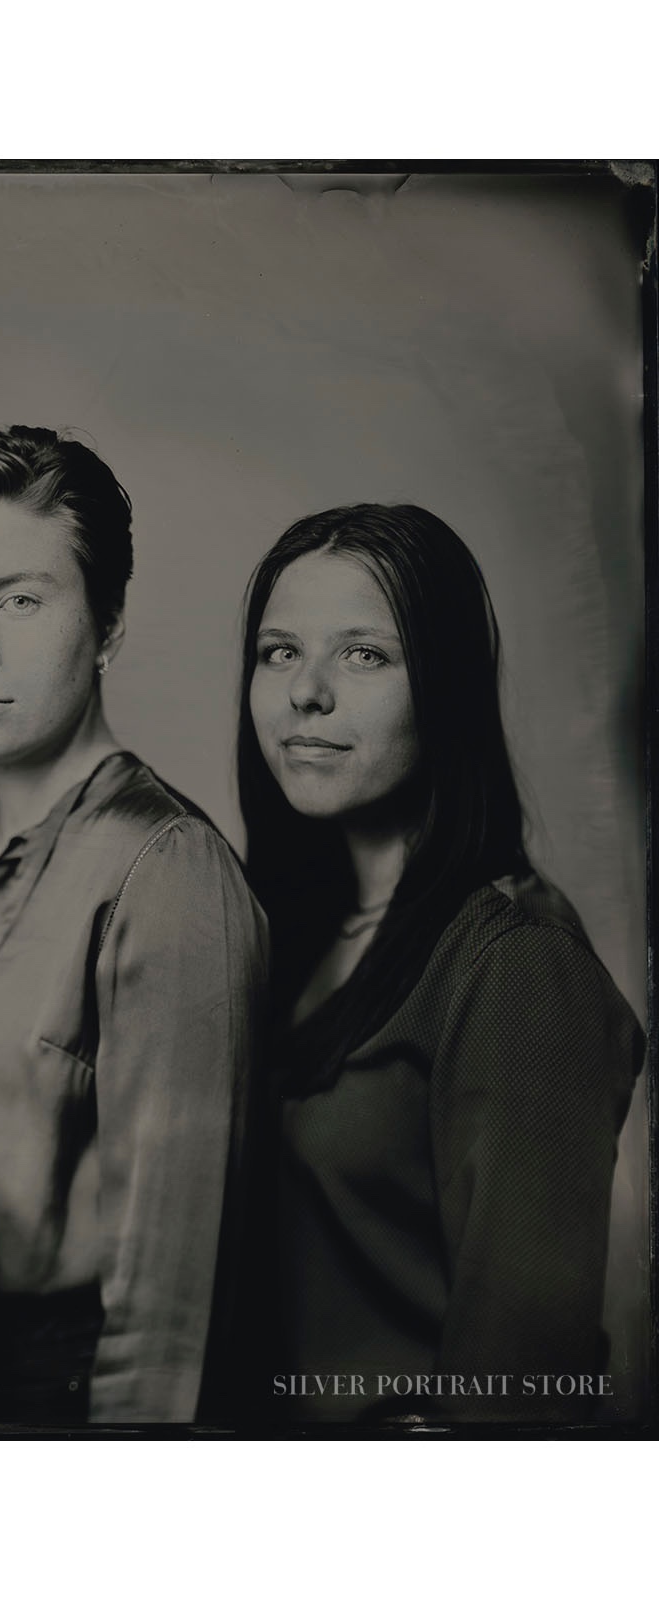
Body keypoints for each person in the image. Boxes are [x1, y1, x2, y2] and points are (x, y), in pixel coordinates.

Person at [0, 425, 266, 1425]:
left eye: (18, 599)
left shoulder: (163, 867)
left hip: (59, 1408)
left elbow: (170, 1316)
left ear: (108, 622)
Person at [239, 503, 645, 1422]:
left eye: (364, 655)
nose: (307, 692)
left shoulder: (516, 963)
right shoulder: (291, 931)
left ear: (449, 687)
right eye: (278, 652)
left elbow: (519, 1387)